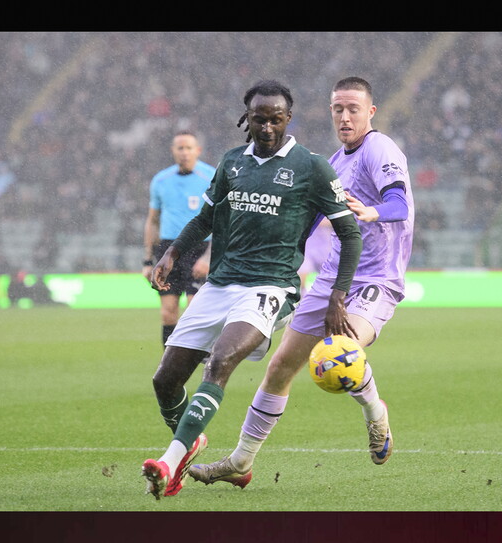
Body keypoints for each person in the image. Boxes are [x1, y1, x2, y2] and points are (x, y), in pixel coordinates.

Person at [140, 80, 362, 500]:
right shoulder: (230, 163)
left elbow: (351, 236)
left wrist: (338, 296)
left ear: (288, 119)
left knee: (220, 360)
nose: (266, 128)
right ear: (247, 118)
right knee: (165, 382)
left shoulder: (311, 167)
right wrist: (171, 254)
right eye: (259, 119)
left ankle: (169, 464)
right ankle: (192, 440)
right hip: (221, 283)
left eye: (275, 119)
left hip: (271, 286)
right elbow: (205, 219)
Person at [188, 76, 415, 489]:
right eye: (338, 109)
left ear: (371, 112)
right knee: (279, 367)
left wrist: (371, 213)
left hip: (376, 278)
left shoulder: (380, 149)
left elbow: (399, 202)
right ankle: (240, 463)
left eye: (353, 109)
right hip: (331, 275)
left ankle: (375, 415)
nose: (345, 117)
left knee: (341, 351)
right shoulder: (335, 160)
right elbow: (307, 222)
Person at [143, 131, 217, 346]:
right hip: (169, 249)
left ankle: (201, 360)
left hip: (200, 248)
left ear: (198, 151)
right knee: (168, 313)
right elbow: (152, 221)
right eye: (180, 148)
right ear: (173, 151)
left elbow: (220, 223)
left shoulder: (211, 177)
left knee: (194, 310)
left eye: (188, 148)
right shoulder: (161, 180)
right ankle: (169, 369)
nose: (184, 153)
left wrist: (208, 257)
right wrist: (148, 260)